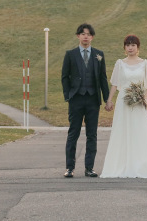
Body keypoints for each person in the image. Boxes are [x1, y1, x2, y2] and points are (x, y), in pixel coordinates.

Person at [100, 34, 147, 179]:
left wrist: (143, 99)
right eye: (128, 45)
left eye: (133, 45)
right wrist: (109, 100)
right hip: (123, 102)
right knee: (123, 131)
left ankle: (141, 166)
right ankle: (121, 165)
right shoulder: (120, 63)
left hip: (139, 103)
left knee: (140, 132)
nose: (130, 48)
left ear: (138, 47)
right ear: (124, 48)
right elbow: (114, 84)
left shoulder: (144, 63)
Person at [61, 23, 110, 178]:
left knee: (92, 134)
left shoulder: (99, 54)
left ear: (92, 37)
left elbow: (103, 78)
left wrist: (107, 99)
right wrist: (68, 96)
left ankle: (89, 168)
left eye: (88, 34)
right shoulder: (71, 54)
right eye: (83, 34)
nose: (86, 36)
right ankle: (69, 168)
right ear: (78, 36)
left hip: (93, 100)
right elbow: (64, 77)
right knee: (73, 133)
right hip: (76, 99)